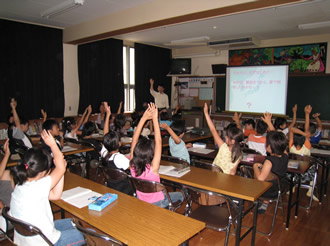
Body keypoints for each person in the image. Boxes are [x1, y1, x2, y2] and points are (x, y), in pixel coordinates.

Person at [9, 130, 85, 246]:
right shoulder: (38, 186)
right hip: (44, 241)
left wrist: (61, 171)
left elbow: (55, 195)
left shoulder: (21, 184)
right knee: (88, 235)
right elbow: (59, 165)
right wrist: (53, 145)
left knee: (73, 222)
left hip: (27, 238)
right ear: (42, 172)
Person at [130, 103, 184, 207]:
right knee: (181, 195)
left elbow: (134, 139)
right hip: (157, 203)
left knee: (161, 190)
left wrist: (144, 118)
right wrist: (155, 117)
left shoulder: (132, 165)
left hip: (141, 201)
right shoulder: (153, 168)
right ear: (151, 153)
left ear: (136, 151)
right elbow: (158, 141)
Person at [100, 102, 132, 195]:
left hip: (112, 187)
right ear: (119, 143)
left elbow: (105, 135)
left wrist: (108, 115)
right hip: (125, 190)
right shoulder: (118, 157)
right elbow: (133, 167)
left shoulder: (104, 152)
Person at [253, 131, 288, 213]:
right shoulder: (285, 156)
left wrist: (255, 166)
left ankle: (256, 201)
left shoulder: (269, 161)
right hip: (281, 188)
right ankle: (264, 203)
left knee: (250, 180)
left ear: (269, 147)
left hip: (269, 191)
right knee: (271, 179)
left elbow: (260, 178)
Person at [204, 103, 244, 175]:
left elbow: (213, 130)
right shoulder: (239, 154)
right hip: (226, 181)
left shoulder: (223, 147)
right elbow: (232, 172)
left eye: (227, 137)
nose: (225, 137)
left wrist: (206, 113)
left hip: (214, 177)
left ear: (233, 141)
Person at [289, 105, 318, 201]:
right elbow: (307, 130)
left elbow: (291, 129)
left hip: (291, 174)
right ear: (305, 139)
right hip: (306, 174)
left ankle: (292, 186)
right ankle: (310, 190)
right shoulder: (307, 145)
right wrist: (307, 114)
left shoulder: (290, 145)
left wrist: (304, 134)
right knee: (314, 168)